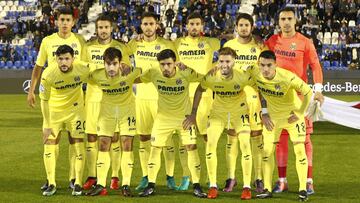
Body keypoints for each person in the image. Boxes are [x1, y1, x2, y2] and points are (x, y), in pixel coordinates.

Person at [265, 7, 324, 195]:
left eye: (290, 18)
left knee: (304, 141)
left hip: (300, 100)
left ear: (296, 20)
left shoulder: (305, 42)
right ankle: (282, 181)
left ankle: (308, 181)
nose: (286, 22)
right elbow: (262, 64)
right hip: (277, 101)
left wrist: (318, 90)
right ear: (278, 21)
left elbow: (315, 66)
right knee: (280, 140)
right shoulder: (272, 41)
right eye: (283, 19)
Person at [27, 7, 86, 191]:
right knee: (51, 140)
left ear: (73, 22)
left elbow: (86, 67)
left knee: (75, 142)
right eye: (62, 20)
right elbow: (38, 67)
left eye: (68, 20)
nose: (65, 23)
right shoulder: (47, 41)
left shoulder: (80, 41)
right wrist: (32, 89)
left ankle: (73, 179)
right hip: (53, 102)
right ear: (56, 21)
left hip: (76, 103)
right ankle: (51, 181)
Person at [184, 47, 253, 199]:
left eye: (228, 61)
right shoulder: (212, 76)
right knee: (210, 145)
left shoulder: (243, 76)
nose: (224, 65)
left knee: (245, 144)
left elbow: (259, 87)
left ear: (234, 61)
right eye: (221, 61)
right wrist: (193, 113)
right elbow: (199, 89)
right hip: (218, 114)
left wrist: (266, 111)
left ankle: (247, 187)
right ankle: (213, 186)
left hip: (239, 113)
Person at [138, 49, 207, 198]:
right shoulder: (153, 72)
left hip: (184, 118)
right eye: (162, 64)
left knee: (191, 147)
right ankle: (151, 185)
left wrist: (194, 113)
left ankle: (197, 185)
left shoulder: (186, 72)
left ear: (175, 63)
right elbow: (135, 78)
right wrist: (123, 69)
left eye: (169, 64)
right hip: (163, 118)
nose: (166, 68)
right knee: (155, 148)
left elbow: (205, 80)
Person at [250, 50, 312, 202]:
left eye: (269, 65)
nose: (265, 69)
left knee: (299, 150)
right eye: (262, 65)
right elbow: (260, 90)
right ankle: (267, 189)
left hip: (292, 117)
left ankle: (303, 189)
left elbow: (308, 92)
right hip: (273, 118)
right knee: (266, 152)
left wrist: (300, 113)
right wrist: (264, 112)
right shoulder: (255, 73)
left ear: (275, 65)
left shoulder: (287, 77)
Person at [128, 12, 178, 191]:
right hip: (140, 97)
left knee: (167, 140)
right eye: (145, 24)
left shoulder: (167, 45)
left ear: (157, 25)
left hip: (162, 99)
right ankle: (145, 176)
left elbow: (175, 68)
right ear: (140, 26)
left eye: (151, 23)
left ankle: (170, 176)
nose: (148, 27)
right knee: (143, 138)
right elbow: (121, 56)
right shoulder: (135, 44)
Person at [81, 14, 131, 191]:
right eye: (100, 27)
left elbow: (126, 69)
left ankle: (115, 176)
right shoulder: (88, 47)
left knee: (115, 138)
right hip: (93, 99)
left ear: (112, 28)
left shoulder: (120, 47)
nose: (103, 31)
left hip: (113, 100)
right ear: (97, 29)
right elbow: (83, 70)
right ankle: (92, 176)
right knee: (92, 138)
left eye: (106, 27)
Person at [174, 12, 220, 190]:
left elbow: (234, 44)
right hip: (183, 97)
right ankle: (187, 176)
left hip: (205, 97)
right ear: (186, 26)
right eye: (191, 24)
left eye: (197, 24)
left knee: (208, 138)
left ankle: (211, 176)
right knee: (185, 141)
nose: (194, 27)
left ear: (202, 26)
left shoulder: (212, 43)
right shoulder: (177, 43)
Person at [86, 47, 139, 197]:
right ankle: (101, 185)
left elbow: (147, 73)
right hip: (106, 113)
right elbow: (80, 74)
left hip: (127, 112)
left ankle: (126, 185)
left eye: (114, 63)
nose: (111, 67)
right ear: (103, 63)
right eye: (108, 64)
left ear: (120, 63)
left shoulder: (131, 72)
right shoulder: (97, 75)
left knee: (127, 145)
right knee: (103, 145)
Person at [39, 45, 90, 196]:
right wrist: (47, 124)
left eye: (67, 59)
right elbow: (44, 100)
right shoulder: (48, 74)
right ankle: (51, 182)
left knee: (78, 146)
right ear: (56, 59)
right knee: (50, 146)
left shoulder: (82, 68)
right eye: (60, 59)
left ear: (73, 58)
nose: (63, 62)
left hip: (76, 113)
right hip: (54, 114)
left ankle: (77, 182)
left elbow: (101, 69)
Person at [223, 13, 265, 193]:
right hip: (232, 99)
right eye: (241, 25)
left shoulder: (259, 48)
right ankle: (231, 178)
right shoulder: (228, 46)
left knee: (256, 137)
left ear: (252, 27)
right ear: (236, 27)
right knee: (232, 137)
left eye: (247, 25)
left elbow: (264, 75)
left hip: (253, 98)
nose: (244, 28)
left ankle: (258, 178)